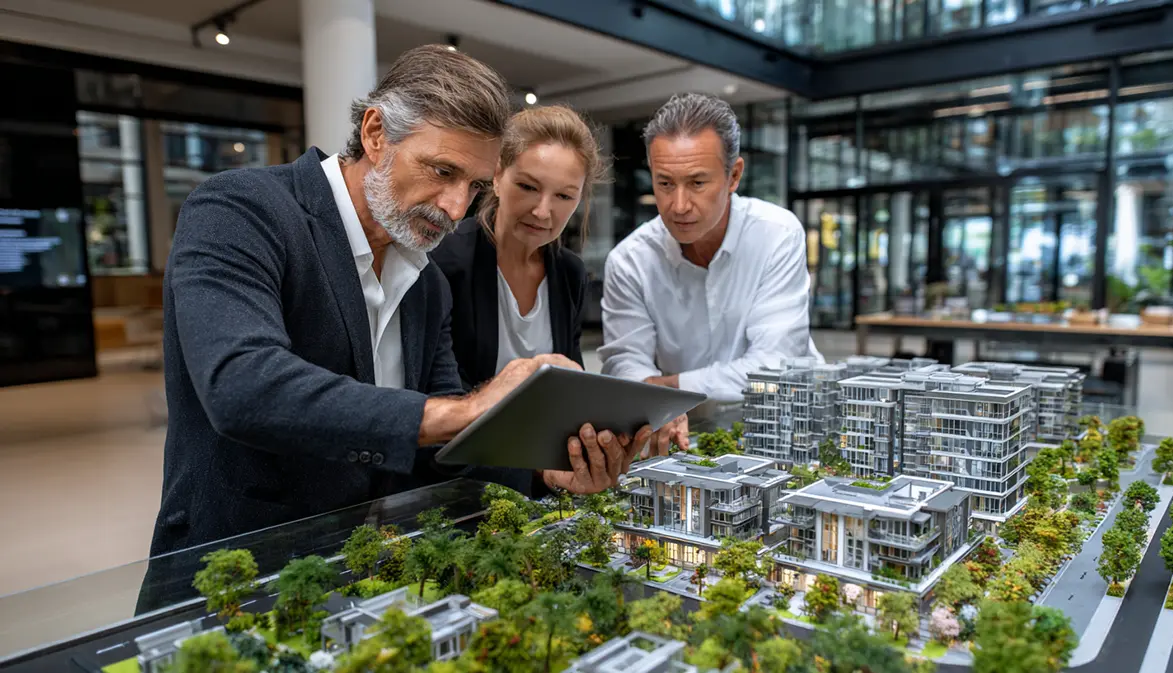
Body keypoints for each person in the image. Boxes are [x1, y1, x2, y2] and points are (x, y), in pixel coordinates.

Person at [148, 46, 649, 571]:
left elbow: (438, 452)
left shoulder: (426, 283)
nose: (456, 207)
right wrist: (467, 409)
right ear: (375, 133)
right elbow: (242, 387)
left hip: (363, 566)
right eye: (442, 170)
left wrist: (544, 472)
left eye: (475, 186)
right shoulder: (241, 209)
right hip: (232, 570)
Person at [599, 93, 822, 448]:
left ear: (734, 176)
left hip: (786, 425)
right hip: (691, 435)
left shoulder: (777, 234)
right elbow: (627, 364)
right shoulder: (629, 261)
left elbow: (775, 365)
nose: (679, 205)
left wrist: (666, 388)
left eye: (697, 183)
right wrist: (650, 391)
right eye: (665, 183)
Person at [430, 105, 602, 390]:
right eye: (528, 187)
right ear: (497, 176)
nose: (542, 212)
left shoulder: (570, 274)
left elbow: (571, 380)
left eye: (563, 196)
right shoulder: (445, 260)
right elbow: (437, 389)